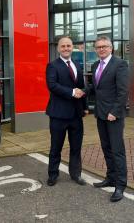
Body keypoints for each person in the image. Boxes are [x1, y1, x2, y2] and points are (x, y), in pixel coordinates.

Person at [45, 36, 88, 187]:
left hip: (76, 115)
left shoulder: (77, 64)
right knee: (56, 147)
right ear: (58, 49)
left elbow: (81, 87)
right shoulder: (52, 65)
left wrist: (85, 107)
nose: (66, 48)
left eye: (68, 46)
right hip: (58, 115)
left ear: (72, 47)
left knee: (76, 147)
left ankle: (76, 174)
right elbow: (52, 85)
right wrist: (71, 92)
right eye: (63, 46)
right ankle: (53, 174)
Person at [90, 36, 129, 202]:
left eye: (104, 46)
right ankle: (111, 178)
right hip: (100, 114)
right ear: (95, 49)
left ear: (111, 48)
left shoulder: (119, 64)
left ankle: (120, 185)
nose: (101, 49)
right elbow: (96, 88)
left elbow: (123, 91)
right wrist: (80, 91)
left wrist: (114, 111)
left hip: (113, 116)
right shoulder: (95, 65)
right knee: (106, 148)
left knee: (117, 150)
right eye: (98, 47)